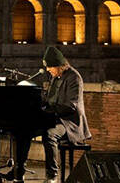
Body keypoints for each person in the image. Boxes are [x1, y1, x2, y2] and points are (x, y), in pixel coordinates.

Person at [11, 46, 91, 183]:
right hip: (53, 118)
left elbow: (70, 106)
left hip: (69, 122)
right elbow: (49, 101)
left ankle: (52, 175)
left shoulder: (74, 77)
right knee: (23, 130)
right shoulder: (55, 77)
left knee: (50, 134)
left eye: (50, 67)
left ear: (59, 66)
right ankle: (19, 172)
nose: (48, 70)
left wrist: (47, 111)